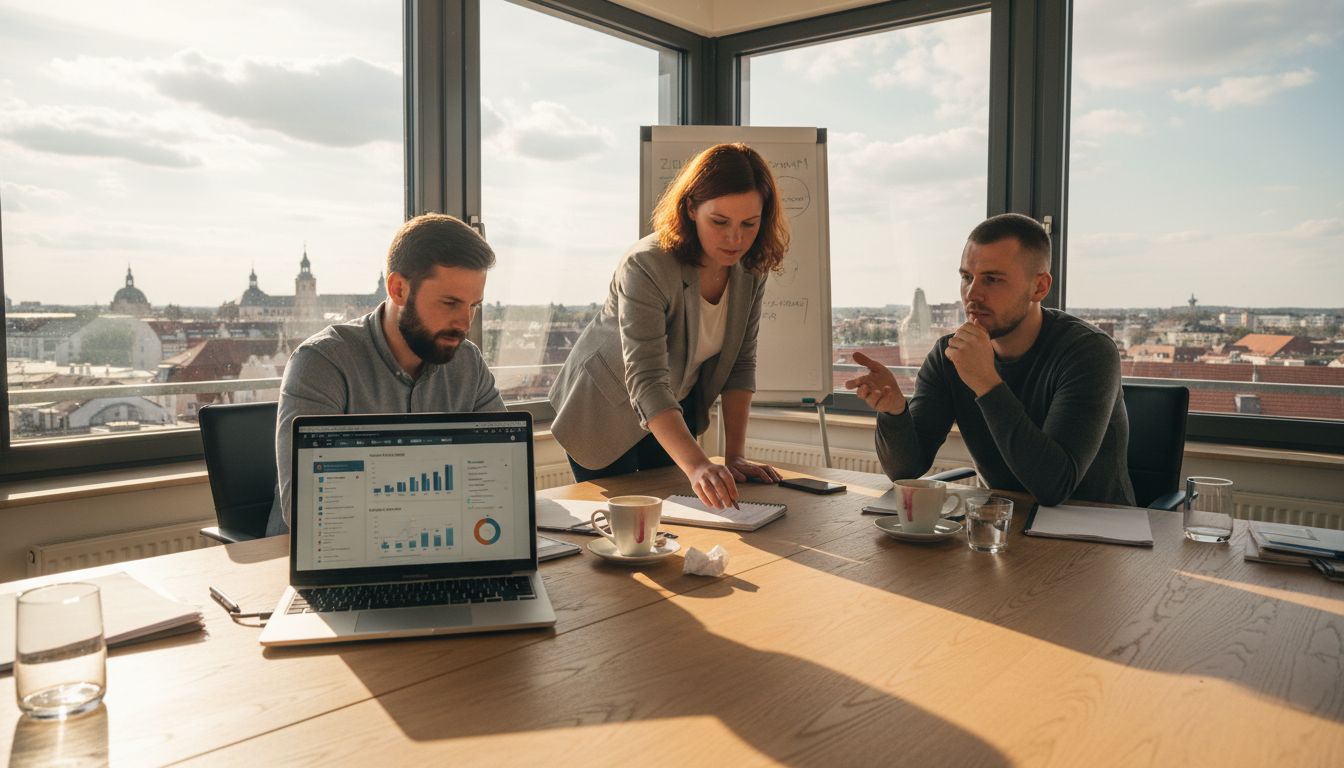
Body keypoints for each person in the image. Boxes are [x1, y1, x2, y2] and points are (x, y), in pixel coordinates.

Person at [549, 143, 788, 509]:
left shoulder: (750, 268)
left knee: (678, 520)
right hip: (604, 410)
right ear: (691, 208)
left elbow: (740, 363)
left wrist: (735, 456)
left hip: (672, 407)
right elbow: (646, 378)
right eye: (720, 222)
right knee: (628, 525)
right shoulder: (646, 263)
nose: (735, 239)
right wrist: (697, 465)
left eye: (749, 224)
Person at [846, 213, 1134, 507]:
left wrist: (985, 381)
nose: (972, 294)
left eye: (992, 279)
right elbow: (905, 470)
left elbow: (1054, 487)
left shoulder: (1088, 351)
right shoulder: (949, 354)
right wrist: (895, 413)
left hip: (1097, 526)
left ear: (1039, 287)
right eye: (966, 277)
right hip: (998, 520)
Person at [268, 214, 505, 534]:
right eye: (450, 303)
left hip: (446, 542)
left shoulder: (468, 362)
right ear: (398, 289)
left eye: (473, 305)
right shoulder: (322, 362)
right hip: (329, 553)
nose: (465, 324)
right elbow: (311, 509)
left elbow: (504, 475)